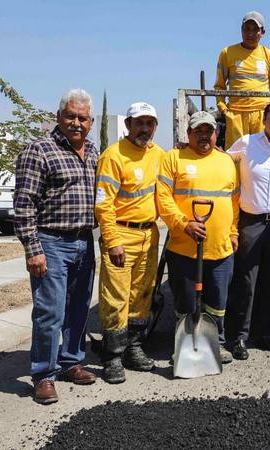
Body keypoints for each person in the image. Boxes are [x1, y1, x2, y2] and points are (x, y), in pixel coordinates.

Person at [14, 89, 98, 404]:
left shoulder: (93, 152)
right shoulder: (39, 151)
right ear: (58, 116)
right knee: (49, 312)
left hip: (84, 241)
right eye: (70, 116)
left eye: (83, 118)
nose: (76, 123)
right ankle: (44, 375)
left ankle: (71, 361)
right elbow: (24, 205)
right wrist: (33, 249)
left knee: (79, 307)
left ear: (91, 122)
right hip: (51, 242)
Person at [157, 111, 239, 364]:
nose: (204, 135)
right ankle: (184, 347)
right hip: (184, 249)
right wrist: (184, 224)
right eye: (198, 131)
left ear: (216, 133)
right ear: (188, 134)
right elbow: (163, 198)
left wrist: (233, 231)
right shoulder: (174, 158)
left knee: (217, 303)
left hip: (221, 248)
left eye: (209, 131)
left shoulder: (226, 161)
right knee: (186, 302)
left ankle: (216, 344)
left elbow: (234, 200)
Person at [94, 102, 165, 383]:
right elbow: (103, 204)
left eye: (149, 123)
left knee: (141, 295)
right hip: (121, 235)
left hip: (149, 234)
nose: (144, 129)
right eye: (139, 123)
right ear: (128, 125)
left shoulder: (159, 154)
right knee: (116, 297)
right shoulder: (113, 156)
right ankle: (112, 356)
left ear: (155, 127)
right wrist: (112, 241)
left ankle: (133, 347)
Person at [226, 99, 270, 360]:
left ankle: (265, 333)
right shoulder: (247, 143)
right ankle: (239, 337)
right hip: (251, 222)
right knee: (246, 281)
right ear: (264, 119)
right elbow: (221, 160)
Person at [214, 11, 270, 148]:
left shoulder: (269, 55)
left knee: (262, 153)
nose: (250, 33)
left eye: (255, 29)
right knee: (236, 154)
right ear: (241, 30)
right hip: (235, 114)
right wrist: (224, 110)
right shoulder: (227, 53)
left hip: (262, 113)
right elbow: (219, 86)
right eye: (247, 29)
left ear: (262, 32)